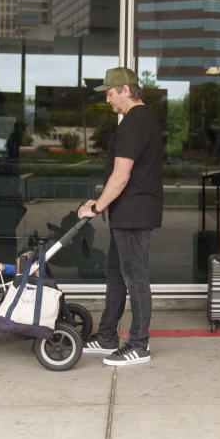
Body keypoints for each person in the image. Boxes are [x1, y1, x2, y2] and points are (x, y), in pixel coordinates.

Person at [79, 67, 163, 367]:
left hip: (133, 213)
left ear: (126, 89)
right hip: (127, 212)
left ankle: (139, 344)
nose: (108, 100)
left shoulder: (135, 123)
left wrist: (97, 206)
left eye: (111, 94)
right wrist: (100, 203)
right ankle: (106, 336)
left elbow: (121, 174)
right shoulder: (141, 120)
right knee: (115, 274)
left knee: (135, 279)